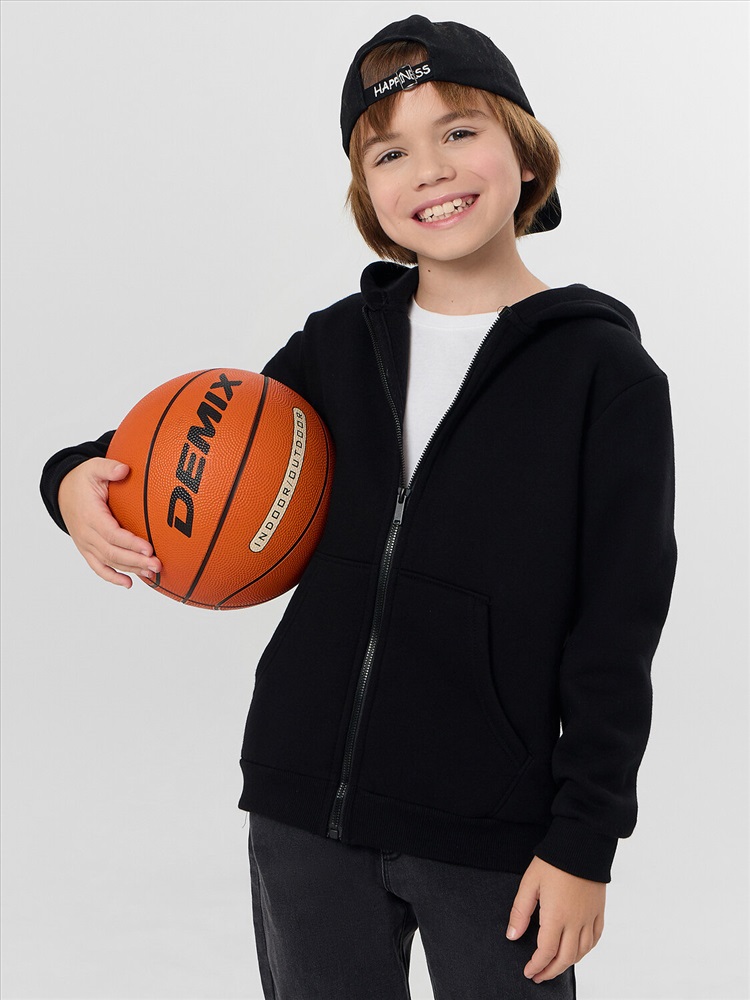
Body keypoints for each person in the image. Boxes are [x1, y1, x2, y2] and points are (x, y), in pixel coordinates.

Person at [39, 14, 678, 999]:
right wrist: (73, 476)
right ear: (368, 195)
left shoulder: (605, 375)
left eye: (458, 131)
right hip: (303, 805)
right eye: (390, 152)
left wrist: (585, 841)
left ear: (526, 153)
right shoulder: (339, 344)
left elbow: (618, 628)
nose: (430, 168)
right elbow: (195, 450)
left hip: (492, 826)